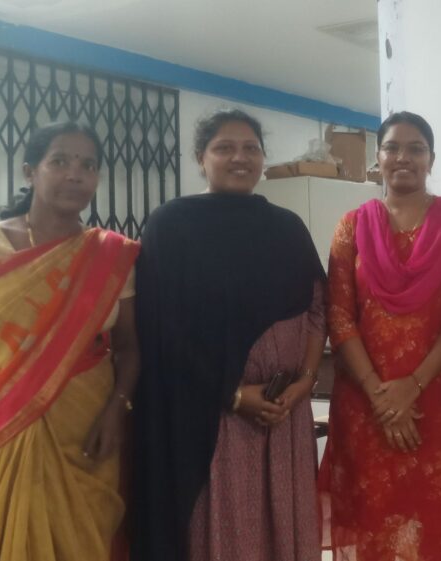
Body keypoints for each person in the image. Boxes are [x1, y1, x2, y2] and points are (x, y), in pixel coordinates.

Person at [0, 121, 140, 561]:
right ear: (30, 171)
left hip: (84, 432)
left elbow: (129, 348)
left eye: (88, 165)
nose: (75, 174)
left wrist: (116, 411)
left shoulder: (111, 255)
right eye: (59, 161)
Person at [131, 109, 326, 561]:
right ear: (201, 157)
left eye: (250, 148)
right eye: (224, 148)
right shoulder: (171, 226)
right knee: (226, 528)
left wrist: (304, 382)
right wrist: (232, 394)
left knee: (282, 528)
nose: (240, 157)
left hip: (282, 415)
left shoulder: (288, 227)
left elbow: (318, 308)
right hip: (209, 416)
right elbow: (161, 327)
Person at [318, 111, 441, 561]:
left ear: (431, 159)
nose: (403, 157)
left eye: (416, 149)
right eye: (392, 147)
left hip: (438, 404)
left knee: (437, 519)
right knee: (374, 518)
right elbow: (338, 315)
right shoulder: (351, 225)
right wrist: (381, 397)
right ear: (378, 157)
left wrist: (413, 386)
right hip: (366, 405)